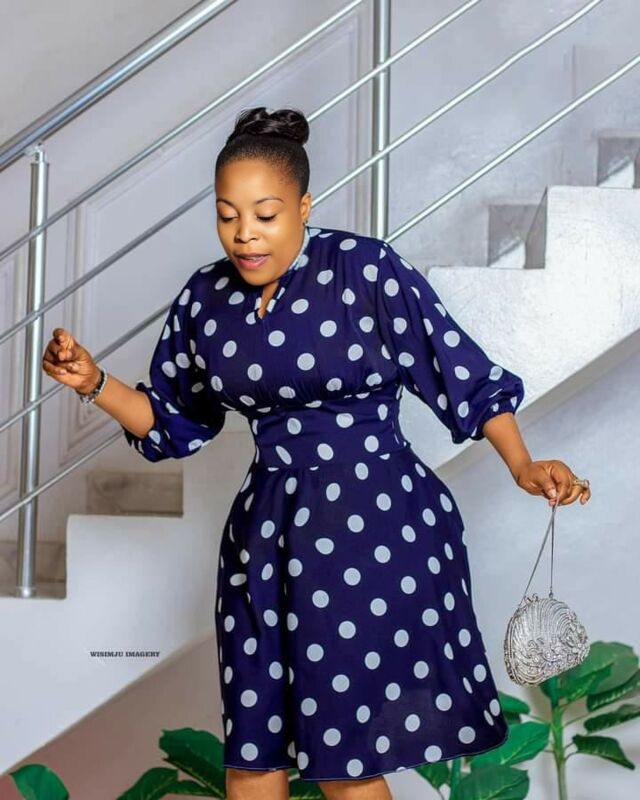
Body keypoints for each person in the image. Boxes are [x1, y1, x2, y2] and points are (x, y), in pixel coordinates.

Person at [42, 106, 591, 800]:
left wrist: (523, 463)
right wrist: (94, 383)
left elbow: (458, 371)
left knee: (345, 763)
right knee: (253, 757)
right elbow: (175, 420)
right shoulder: (205, 299)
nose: (244, 233)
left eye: (266, 215)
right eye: (227, 215)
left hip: (376, 528)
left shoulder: (363, 269)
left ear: (303, 206)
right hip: (266, 537)